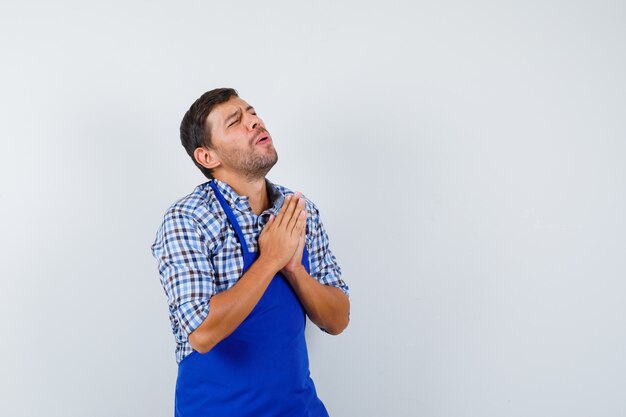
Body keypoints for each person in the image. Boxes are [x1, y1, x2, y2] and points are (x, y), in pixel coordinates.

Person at [150, 88, 350, 417]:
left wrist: (294, 269)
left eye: (252, 113)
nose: (254, 122)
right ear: (207, 157)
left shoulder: (298, 210)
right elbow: (202, 333)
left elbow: (337, 319)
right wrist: (270, 259)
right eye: (235, 122)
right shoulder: (188, 219)